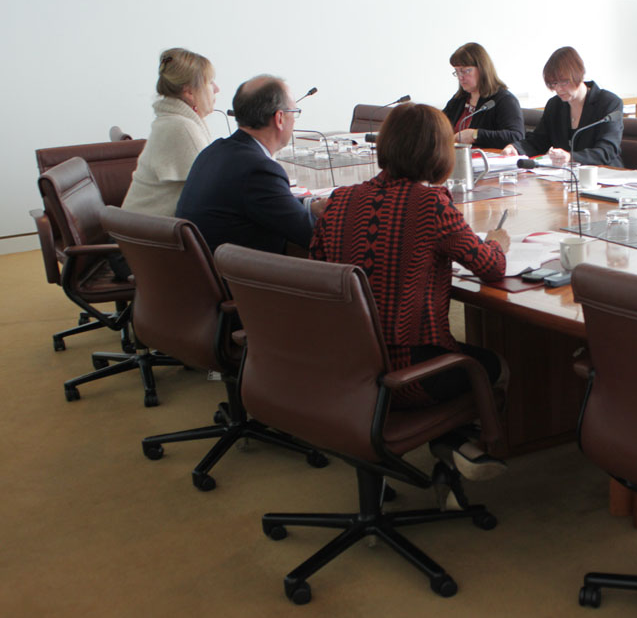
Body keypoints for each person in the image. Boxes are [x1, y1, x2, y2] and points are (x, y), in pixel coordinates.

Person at [310, 103, 510, 486]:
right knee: (495, 366)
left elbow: (319, 274)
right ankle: (465, 444)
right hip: (412, 375)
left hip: (346, 370)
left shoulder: (337, 201)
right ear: (440, 152)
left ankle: (449, 447)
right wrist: (498, 242)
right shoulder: (431, 204)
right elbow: (490, 267)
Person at [176, 75, 323, 254]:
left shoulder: (215, 151)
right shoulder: (258, 170)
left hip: (204, 274)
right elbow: (313, 235)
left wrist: (308, 205)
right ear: (280, 118)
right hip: (239, 279)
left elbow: (264, 203)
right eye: (294, 112)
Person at [122, 48, 218, 216]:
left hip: (139, 229)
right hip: (146, 236)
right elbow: (215, 187)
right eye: (210, 82)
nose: (216, 88)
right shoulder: (181, 127)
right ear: (189, 91)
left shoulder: (174, 121)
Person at [502, 47, 623, 167]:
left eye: (564, 82)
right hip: (566, 176)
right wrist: (515, 148)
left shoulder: (608, 102)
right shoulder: (555, 105)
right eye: (554, 83)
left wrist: (571, 157)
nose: (558, 89)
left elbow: (607, 151)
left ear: (578, 75)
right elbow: (538, 141)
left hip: (604, 175)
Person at [442, 42, 525, 149]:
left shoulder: (504, 100)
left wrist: (475, 135)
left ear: (482, 69)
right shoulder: (459, 99)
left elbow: (516, 136)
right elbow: (440, 126)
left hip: (486, 161)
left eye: (465, 71)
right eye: (457, 72)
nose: (460, 77)